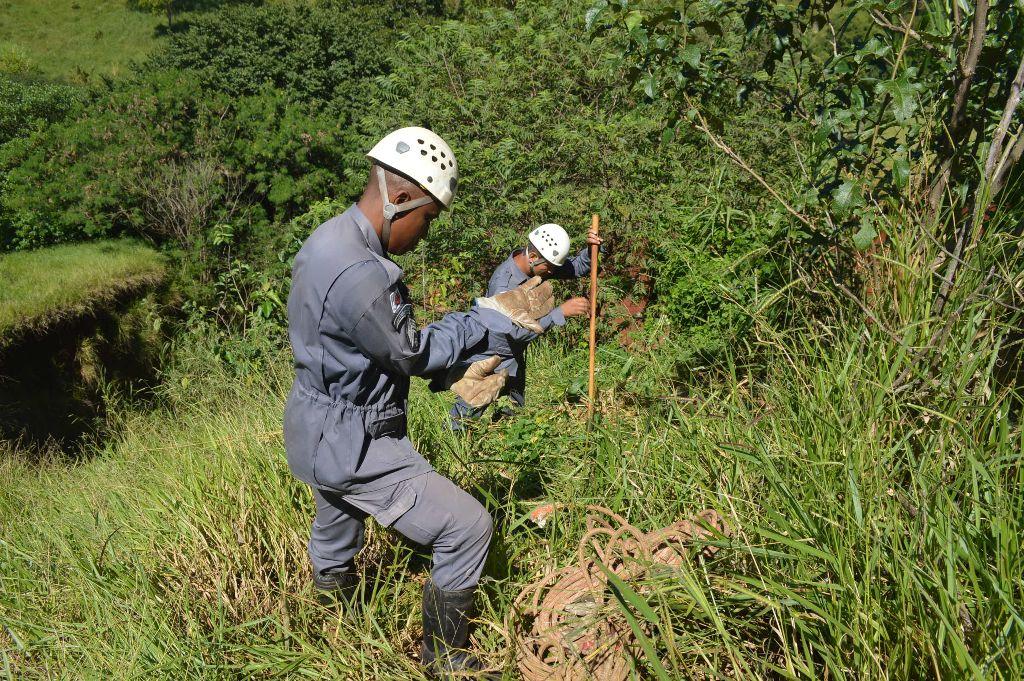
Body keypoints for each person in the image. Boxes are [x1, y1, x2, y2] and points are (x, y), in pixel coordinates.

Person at [284, 127, 547, 676]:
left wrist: (447, 363)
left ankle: (335, 627)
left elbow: (366, 349)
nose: (424, 232)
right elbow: (407, 353)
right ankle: (444, 658)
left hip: (315, 427)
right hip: (355, 440)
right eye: (427, 218)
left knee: (337, 529)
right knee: (468, 528)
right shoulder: (362, 273)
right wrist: (485, 318)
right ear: (400, 198)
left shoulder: (327, 238)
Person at [447, 223, 603, 427]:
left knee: (515, 412)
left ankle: (509, 440)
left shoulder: (539, 265)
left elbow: (579, 267)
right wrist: (560, 313)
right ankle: (445, 444)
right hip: (492, 353)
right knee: (471, 404)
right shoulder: (503, 284)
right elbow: (517, 333)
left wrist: (594, 248)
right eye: (549, 268)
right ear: (532, 257)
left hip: (514, 353)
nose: (551, 273)